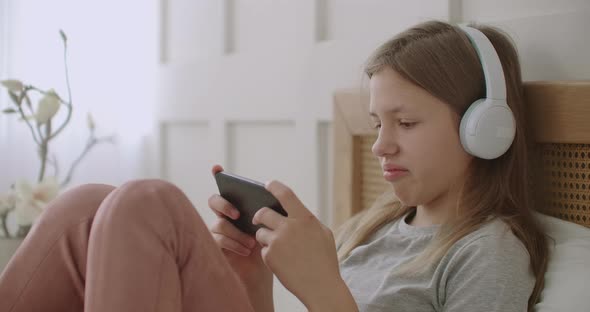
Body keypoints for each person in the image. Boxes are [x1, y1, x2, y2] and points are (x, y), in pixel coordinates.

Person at [0, 20, 548, 312]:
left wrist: (325, 290)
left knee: (147, 204)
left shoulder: (487, 252)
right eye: (378, 124)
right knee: (87, 204)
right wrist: (254, 281)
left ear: (485, 128)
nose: (381, 146)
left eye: (406, 124)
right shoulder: (374, 227)